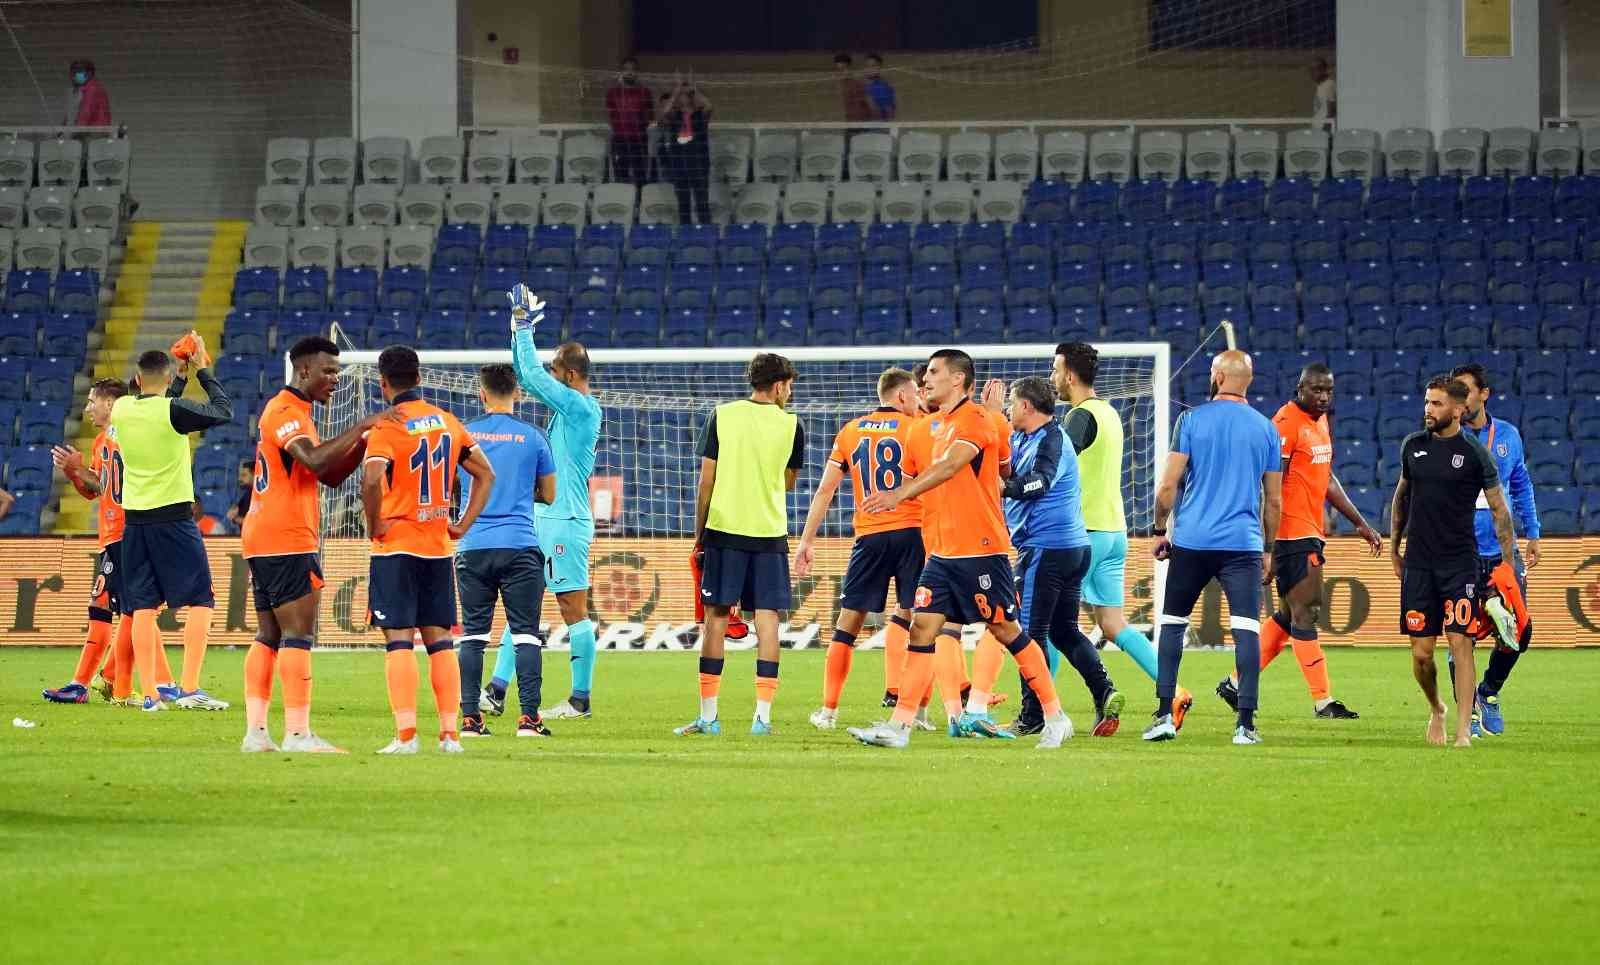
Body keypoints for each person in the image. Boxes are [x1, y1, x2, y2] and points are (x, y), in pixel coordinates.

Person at [848, 350, 1073, 749]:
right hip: (940, 552)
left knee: (1005, 629)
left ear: (958, 379)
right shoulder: (920, 430)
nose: (925, 380)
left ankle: (1056, 717)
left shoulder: (976, 419)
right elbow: (923, 476)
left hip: (980, 548)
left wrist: (898, 494)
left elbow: (958, 466)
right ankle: (900, 727)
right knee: (922, 627)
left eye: (934, 372)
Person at [240, 336, 383, 754]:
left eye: (337, 372)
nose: (335, 380)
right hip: (284, 536)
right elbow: (316, 460)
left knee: (268, 633)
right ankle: (299, 735)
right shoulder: (285, 411)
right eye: (329, 371)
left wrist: (363, 445)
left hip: (266, 535)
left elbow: (329, 475)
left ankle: (256, 733)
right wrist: (361, 426)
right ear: (303, 371)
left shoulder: (297, 411)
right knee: (298, 633)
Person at [1215, 363, 1380, 719]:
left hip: (1309, 531)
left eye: (1328, 391)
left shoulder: (1319, 422)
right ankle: (1323, 701)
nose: (1323, 397)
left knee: (1290, 616)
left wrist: (1361, 523)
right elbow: (1269, 486)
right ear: (1300, 387)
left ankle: (1234, 682)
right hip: (1290, 534)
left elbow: (1327, 480)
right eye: (1316, 390)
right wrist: (1267, 546)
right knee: (1307, 612)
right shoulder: (1286, 424)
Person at [1050, 342, 1193, 730]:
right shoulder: (1109, 413)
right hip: (1116, 531)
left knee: (1049, 621)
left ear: (1070, 375)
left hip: (1085, 532)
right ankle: (1175, 690)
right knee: (1113, 622)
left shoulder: (1079, 417)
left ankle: (1044, 711)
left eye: (1055, 369)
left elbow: (1056, 469)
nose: (1052, 378)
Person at [1144, 350, 1281, 745]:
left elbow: (1168, 486)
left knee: (1171, 625)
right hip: (1242, 544)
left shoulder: (1191, 420)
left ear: (1218, 376)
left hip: (1192, 540)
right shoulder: (1266, 429)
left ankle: (1163, 715)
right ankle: (1245, 725)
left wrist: (1158, 529)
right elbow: (1273, 500)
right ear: (1247, 381)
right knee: (1246, 629)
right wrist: (1269, 549)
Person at [362, 346, 495, 754]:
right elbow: (486, 474)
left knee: (399, 641)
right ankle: (450, 735)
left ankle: (406, 737)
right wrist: (463, 524)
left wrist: (374, 524)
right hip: (437, 546)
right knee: (440, 642)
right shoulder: (448, 422)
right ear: (419, 377)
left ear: (383, 383)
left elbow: (370, 480)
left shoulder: (388, 425)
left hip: (397, 546)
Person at [676, 353, 804, 737]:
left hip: (725, 530)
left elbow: (705, 482)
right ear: (779, 385)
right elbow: (789, 482)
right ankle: (762, 719)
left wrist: (700, 535)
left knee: (715, 620)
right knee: (767, 621)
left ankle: (709, 717)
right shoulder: (792, 425)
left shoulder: (723, 414)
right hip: (768, 534)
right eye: (790, 385)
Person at [794, 367, 925, 730]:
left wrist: (806, 541)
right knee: (921, 622)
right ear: (901, 397)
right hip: (914, 531)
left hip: (869, 536)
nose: (919, 401)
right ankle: (914, 712)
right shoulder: (916, 429)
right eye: (915, 395)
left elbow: (825, 491)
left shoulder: (850, 431)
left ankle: (829, 711)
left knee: (848, 623)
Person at [1390, 376, 1516, 748]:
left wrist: (1507, 563)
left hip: (1460, 563)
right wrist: (1395, 547)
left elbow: (1499, 510)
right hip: (1419, 563)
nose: (1428, 410)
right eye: (1427, 402)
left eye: (1437, 404)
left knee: (1461, 643)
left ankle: (1463, 731)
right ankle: (1437, 708)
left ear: (1459, 409)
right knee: (1422, 654)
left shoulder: (1476, 454)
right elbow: (1402, 499)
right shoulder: (1413, 447)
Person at [995, 376, 1125, 738]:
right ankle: (1105, 691)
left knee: (1029, 635)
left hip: (1047, 549)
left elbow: (1041, 481)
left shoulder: (1053, 438)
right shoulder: (1023, 436)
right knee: (1065, 630)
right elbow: (1002, 457)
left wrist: (1006, 487)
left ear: (1026, 406)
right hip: (1072, 547)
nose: (1007, 408)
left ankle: (1033, 714)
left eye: (1011, 402)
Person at [110, 338, 233, 712]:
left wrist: (177, 380)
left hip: (135, 520)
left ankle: (150, 696)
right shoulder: (172, 410)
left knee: (143, 606)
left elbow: (160, 411)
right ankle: (191, 688)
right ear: (166, 378)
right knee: (201, 599)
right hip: (174, 518)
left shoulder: (121, 408)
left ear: (136, 378)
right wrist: (201, 370)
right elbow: (222, 411)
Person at [45, 379, 176, 706]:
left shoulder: (114, 438)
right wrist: (75, 473)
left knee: (117, 607)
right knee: (132, 609)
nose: (88, 408)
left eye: (93, 401)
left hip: (124, 533)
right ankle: (121, 680)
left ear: (111, 403)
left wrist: (78, 471)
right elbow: (94, 489)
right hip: (123, 533)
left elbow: (103, 485)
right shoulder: (116, 437)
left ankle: (94, 683)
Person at [508, 284, 605, 720]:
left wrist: (524, 328)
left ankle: (580, 699)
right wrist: (517, 331)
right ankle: (494, 688)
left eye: (554, 368)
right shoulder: (568, 409)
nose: (548, 374)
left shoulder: (582, 409)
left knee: (571, 608)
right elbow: (526, 373)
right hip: (545, 517)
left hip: (565, 520)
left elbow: (528, 377)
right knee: (521, 601)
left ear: (567, 374)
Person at [455, 363, 558, 740]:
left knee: (473, 635)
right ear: (518, 393)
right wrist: (516, 493)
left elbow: (453, 484)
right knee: (526, 634)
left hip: (474, 546)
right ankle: (528, 720)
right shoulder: (533, 437)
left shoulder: (463, 434)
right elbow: (549, 495)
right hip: (519, 547)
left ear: (481, 394)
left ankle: (469, 720)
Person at [1450, 363, 1540, 736]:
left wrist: (1532, 532)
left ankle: (1488, 691)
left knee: (1519, 630)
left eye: (1465, 392)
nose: (1459, 400)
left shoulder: (1508, 436)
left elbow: (1521, 485)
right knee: (1462, 635)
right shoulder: (1447, 438)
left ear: (1484, 394)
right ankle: (1467, 711)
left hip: (1503, 552)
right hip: (1460, 552)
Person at [660, 79, 712, 225]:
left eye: (685, 93)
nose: (682, 96)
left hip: (699, 163)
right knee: (683, 203)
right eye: (680, 95)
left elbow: (709, 106)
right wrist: (676, 91)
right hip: (679, 164)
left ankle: (706, 232)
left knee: (702, 202)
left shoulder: (700, 115)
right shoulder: (674, 116)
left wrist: (694, 89)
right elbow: (664, 112)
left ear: (690, 96)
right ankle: (686, 233)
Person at [606, 57, 654, 186]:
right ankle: (624, 202)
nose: (630, 72)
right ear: (621, 72)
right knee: (621, 174)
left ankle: (639, 201)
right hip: (619, 139)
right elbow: (610, 114)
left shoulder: (645, 92)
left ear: (637, 72)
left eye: (633, 69)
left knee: (640, 174)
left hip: (639, 139)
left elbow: (650, 116)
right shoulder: (612, 93)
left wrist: (639, 126)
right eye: (626, 69)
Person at [65, 59, 111, 127]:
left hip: (93, 131)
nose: (74, 76)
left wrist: (76, 131)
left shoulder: (92, 89)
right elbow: (72, 114)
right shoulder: (84, 89)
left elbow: (85, 113)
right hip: (92, 129)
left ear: (89, 73)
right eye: (72, 73)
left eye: (77, 72)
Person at [834, 53, 872, 123]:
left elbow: (864, 98)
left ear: (847, 65)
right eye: (838, 63)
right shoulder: (841, 81)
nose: (839, 65)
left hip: (860, 116)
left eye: (841, 63)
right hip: (851, 116)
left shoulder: (857, 79)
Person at [863, 53, 896, 121]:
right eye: (867, 66)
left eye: (873, 66)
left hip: (880, 127)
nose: (870, 69)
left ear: (880, 68)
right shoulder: (864, 86)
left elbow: (890, 112)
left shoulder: (883, 87)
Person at [225, 460, 253, 530]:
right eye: (239, 475)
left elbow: (258, 525)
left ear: (254, 474)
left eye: (244, 475)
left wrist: (235, 518)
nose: (239, 479)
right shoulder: (247, 494)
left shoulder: (260, 496)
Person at [1311, 57, 1335, 127]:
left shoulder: (1329, 84)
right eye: (1311, 70)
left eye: (1316, 69)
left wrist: (1326, 128)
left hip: (1324, 131)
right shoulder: (1320, 86)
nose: (1312, 73)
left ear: (1324, 70)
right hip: (1317, 129)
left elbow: (1331, 110)